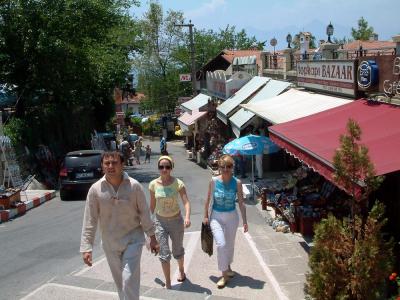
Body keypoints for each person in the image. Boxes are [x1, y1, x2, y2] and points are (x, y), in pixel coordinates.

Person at [80, 151, 159, 300]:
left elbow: (144, 214)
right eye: (107, 163)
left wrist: (152, 237)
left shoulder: (134, 186)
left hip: (133, 240)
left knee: (128, 279)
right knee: (120, 284)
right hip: (110, 243)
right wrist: (86, 247)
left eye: (115, 163)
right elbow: (90, 220)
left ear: (123, 165)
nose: (111, 166)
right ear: (102, 166)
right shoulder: (95, 190)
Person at [203, 154, 248, 289]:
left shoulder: (237, 183)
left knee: (229, 244)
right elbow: (208, 200)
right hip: (216, 216)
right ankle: (224, 275)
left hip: (231, 216)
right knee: (221, 244)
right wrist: (205, 216)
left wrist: (245, 221)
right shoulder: (213, 181)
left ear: (232, 167)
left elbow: (241, 203)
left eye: (229, 166)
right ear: (219, 168)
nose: (226, 169)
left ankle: (228, 266)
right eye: (223, 167)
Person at [149, 156, 191, 289]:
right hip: (160, 222)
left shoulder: (178, 183)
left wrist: (187, 216)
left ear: (171, 168)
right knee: (164, 254)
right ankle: (167, 283)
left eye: (167, 166)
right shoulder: (153, 184)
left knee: (177, 250)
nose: (164, 169)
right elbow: (152, 205)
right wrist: (146, 222)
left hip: (176, 221)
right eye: (161, 167)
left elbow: (186, 202)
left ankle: (181, 270)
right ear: (158, 168)